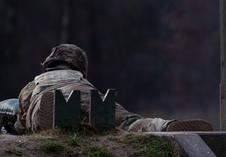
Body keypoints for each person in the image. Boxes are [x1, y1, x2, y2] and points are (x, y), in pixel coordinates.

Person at [13, 44, 213, 134]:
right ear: (79, 66)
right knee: (129, 122)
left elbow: (19, 127)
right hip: (86, 94)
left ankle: (52, 125)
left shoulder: (32, 86)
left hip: (45, 97)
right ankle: (165, 127)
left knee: (34, 116)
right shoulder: (81, 80)